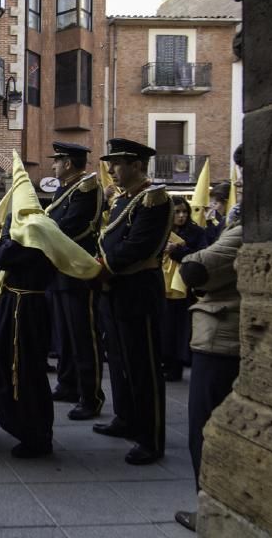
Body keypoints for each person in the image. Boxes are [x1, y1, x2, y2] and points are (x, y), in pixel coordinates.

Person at [0, 152, 103, 459]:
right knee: (17, 367)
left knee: (25, 371)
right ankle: (29, 425)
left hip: (25, 308)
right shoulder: (35, 227)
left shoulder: (33, 230)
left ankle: (35, 433)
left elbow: (3, 257)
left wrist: (6, 239)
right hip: (19, 304)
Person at [173, 145, 244, 533]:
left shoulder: (250, 223)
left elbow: (199, 268)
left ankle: (212, 509)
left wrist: (186, 259)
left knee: (207, 426)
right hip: (229, 330)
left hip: (222, 333)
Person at [93, 138, 173, 465]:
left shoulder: (153, 199)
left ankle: (150, 439)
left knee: (144, 368)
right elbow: (110, 240)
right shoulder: (126, 199)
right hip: (116, 290)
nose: (111, 169)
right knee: (121, 362)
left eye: (118, 163)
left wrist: (100, 268)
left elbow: (138, 247)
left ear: (138, 164)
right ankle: (125, 418)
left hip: (138, 290)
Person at [44, 142, 106, 421]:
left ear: (68, 163)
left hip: (78, 270)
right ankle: (68, 384)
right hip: (61, 269)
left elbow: (70, 225)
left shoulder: (87, 188)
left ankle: (90, 396)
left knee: (83, 337)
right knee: (65, 335)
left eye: (57, 161)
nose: (53, 165)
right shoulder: (65, 189)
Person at [161, 196, 207, 381]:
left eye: (184, 212)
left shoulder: (196, 232)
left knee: (179, 328)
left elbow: (201, 256)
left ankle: (176, 365)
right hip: (162, 286)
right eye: (177, 212)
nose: (181, 216)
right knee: (164, 327)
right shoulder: (162, 231)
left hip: (183, 289)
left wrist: (178, 250)